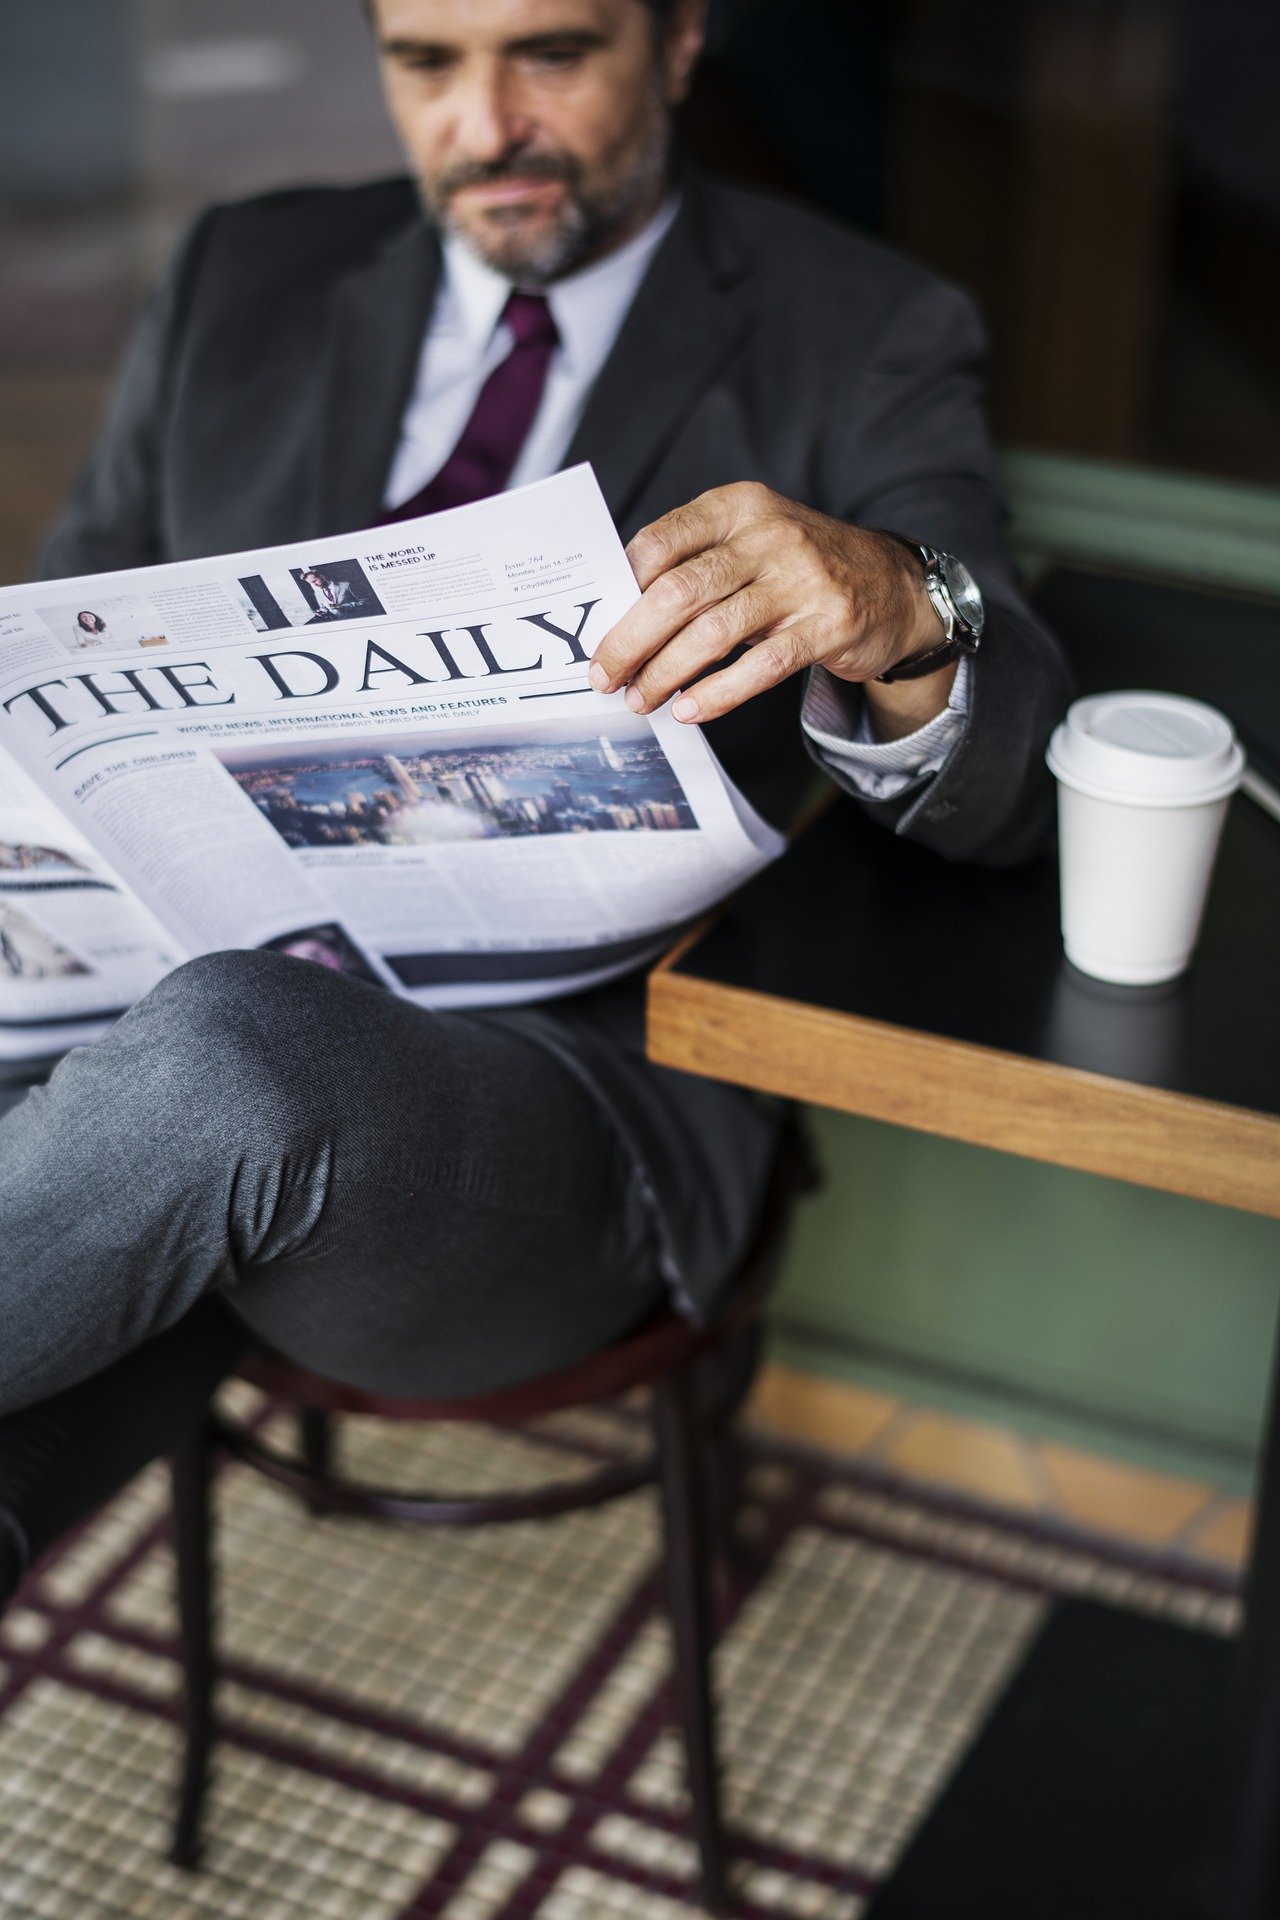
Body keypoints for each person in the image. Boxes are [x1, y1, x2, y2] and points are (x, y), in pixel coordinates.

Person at [0, 0, 1071, 1606]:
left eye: (551, 54)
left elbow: (1019, 774)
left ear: (683, 40)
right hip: (140, 1061)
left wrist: (909, 609)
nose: (485, 121)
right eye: (426, 62)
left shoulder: (861, 326)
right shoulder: (244, 272)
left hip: (559, 1115)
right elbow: (61, 647)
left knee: (223, 1067)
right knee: (159, 1124)